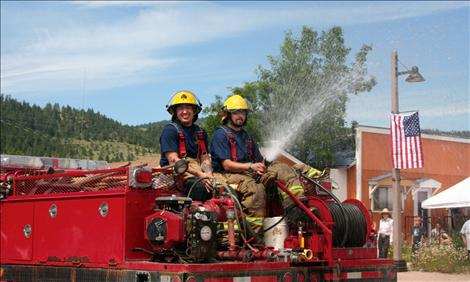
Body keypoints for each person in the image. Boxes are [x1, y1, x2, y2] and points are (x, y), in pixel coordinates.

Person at [210, 94, 305, 234]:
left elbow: (258, 160)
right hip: (227, 175)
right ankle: (251, 233)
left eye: (243, 112)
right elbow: (227, 165)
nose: (240, 116)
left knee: (282, 168)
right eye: (236, 112)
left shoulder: (247, 136)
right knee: (255, 188)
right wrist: (250, 166)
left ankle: (296, 208)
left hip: (248, 172)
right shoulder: (220, 135)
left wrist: (264, 167)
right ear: (228, 115)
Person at [160, 90, 213, 201]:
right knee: (200, 189)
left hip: (199, 172)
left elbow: (204, 157)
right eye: (180, 108)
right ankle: (195, 215)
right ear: (175, 112)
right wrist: (199, 174)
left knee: (224, 188)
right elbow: (173, 161)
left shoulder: (200, 132)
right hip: (177, 173)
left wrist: (208, 173)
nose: (185, 112)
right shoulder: (170, 130)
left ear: (195, 111)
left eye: (188, 108)